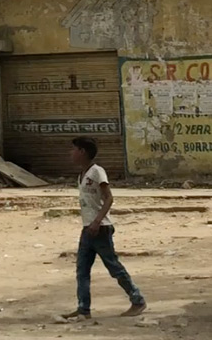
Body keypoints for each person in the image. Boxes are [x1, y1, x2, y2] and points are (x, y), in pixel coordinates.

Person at [61, 137, 146, 320]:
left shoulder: (97, 172)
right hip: (88, 228)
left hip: (100, 228)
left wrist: (97, 221)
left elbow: (109, 198)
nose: (71, 153)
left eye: (74, 149)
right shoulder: (81, 175)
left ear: (82, 152)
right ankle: (84, 308)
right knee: (82, 269)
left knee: (113, 266)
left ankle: (137, 299)